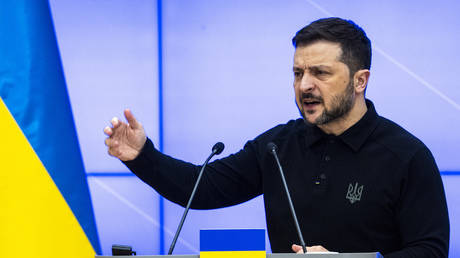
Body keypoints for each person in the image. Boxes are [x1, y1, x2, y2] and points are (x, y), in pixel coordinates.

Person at [104, 17, 449, 257]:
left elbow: (431, 250)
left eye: (320, 73)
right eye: (298, 73)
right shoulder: (278, 146)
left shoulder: (407, 156)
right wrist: (142, 155)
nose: (304, 86)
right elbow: (201, 188)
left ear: (361, 81)